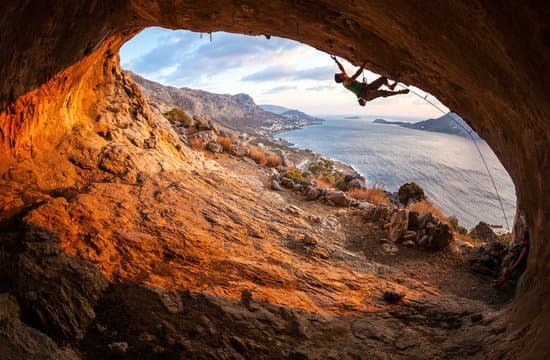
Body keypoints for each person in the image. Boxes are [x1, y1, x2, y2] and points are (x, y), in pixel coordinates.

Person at [331, 55, 409, 106]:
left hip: (367, 87)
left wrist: (336, 60)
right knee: (382, 92)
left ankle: (390, 86)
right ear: (340, 78)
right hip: (365, 95)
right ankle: (399, 92)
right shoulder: (346, 82)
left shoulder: (345, 77)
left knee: (383, 78)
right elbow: (357, 74)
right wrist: (364, 65)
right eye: (339, 74)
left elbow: (341, 68)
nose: (341, 73)